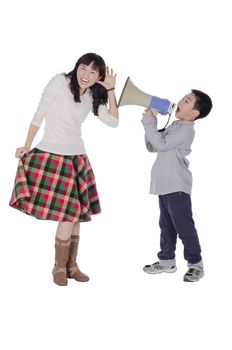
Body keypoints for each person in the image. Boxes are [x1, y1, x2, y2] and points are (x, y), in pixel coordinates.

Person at [9, 52, 119, 286]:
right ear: (76, 67)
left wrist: (110, 91)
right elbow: (39, 113)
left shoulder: (91, 96)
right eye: (83, 68)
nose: (86, 75)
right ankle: (59, 267)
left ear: (99, 77)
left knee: (76, 216)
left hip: (76, 157)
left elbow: (113, 121)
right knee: (70, 214)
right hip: (52, 155)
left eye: (93, 72)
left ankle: (71, 266)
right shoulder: (59, 82)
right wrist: (27, 144)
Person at [142, 90, 212, 282]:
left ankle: (196, 264)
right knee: (166, 225)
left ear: (194, 113)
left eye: (187, 101)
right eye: (183, 97)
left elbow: (162, 145)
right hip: (163, 184)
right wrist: (150, 122)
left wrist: (150, 122)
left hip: (177, 185)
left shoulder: (186, 129)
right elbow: (152, 146)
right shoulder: (176, 125)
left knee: (184, 226)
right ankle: (166, 261)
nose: (181, 101)